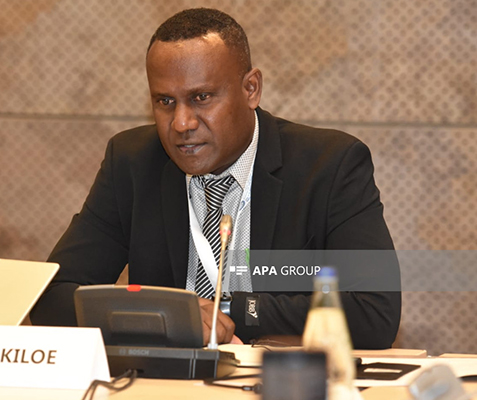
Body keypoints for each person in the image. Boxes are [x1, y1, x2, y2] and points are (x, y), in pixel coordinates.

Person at [30, 8, 401, 349]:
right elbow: (51, 297)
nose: (182, 123)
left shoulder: (329, 165)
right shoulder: (131, 163)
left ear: (251, 89)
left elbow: (374, 311)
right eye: (165, 102)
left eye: (202, 97)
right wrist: (163, 313)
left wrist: (228, 310)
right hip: (166, 384)